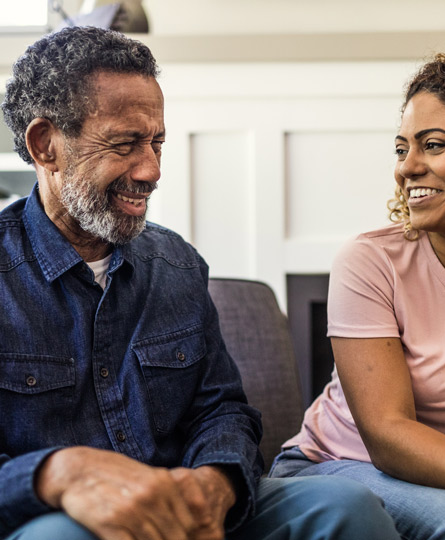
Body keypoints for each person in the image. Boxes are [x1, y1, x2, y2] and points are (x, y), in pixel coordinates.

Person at [0, 26, 400, 540]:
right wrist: (58, 474)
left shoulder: (178, 266)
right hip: (57, 520)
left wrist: (217, 481)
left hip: (187, 514)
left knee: (347, 507)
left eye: (157, 142)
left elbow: (222, 408)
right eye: (125, 144)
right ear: (45, 145)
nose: (151, 170)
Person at [269, 44, 445, 539]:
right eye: (402, 148)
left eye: (433, 145)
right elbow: (389, 439)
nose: (406, 167)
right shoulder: (371, 261)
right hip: (338, 470)